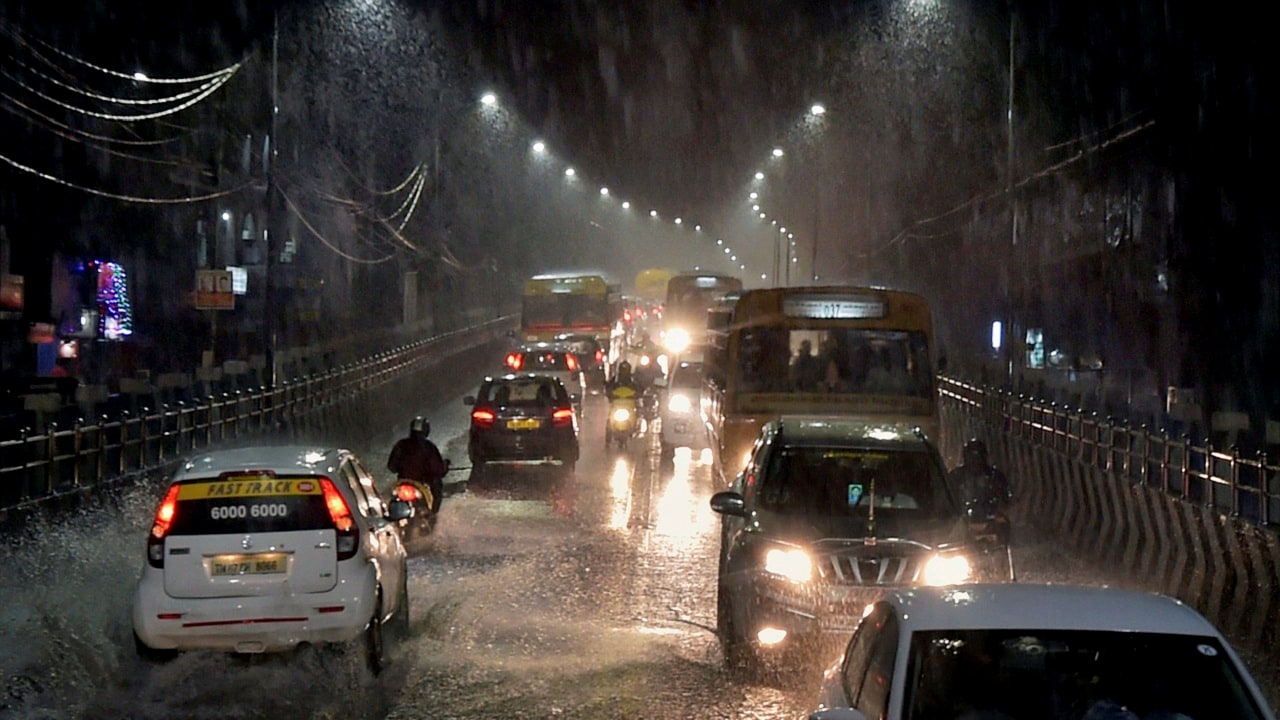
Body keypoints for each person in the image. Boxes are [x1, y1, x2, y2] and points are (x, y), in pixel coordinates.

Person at [387, 416, 449, 514]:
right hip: (421, 484)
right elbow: (438, 469)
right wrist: (445, 466)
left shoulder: (401, 444)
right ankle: (433, 514)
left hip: (402, 482)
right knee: (437, 492)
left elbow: (391, 467)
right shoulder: (429, 447)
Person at [947, 438, 1012, 516]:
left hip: (990, 515)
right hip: (963, 516)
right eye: (972, 459)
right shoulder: (956, 475)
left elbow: (1005, 497)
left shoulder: (995, 476)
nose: (975, 462)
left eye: (978, 458)